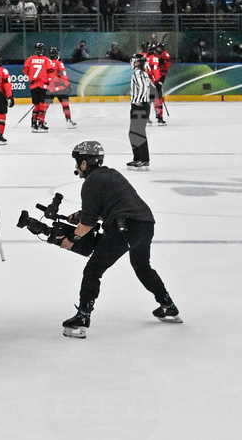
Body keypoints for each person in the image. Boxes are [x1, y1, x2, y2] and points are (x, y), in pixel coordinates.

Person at [60, 141, 180, 338]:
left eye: (77, 162)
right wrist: (80, 215)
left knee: (93, 269)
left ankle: (82, 317)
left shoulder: (91, 182)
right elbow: (112, 204)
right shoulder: (111, 174)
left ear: (84, 163)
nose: (76, 166)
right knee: (142, 266)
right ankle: (168, 305)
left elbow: (88, 223)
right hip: (145, 223)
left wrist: (71, 239)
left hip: (125, 228)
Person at [128, 53, 152, 170]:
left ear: (136, 62)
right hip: (142, 105)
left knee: (138, 132)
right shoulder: (142, 73)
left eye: (132, 61)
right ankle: (138, 158)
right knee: (134, 132)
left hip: (140, 106)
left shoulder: (138, 73)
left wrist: (137, 100)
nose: (131, 63)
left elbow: (142, 87)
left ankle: (144, 159)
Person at [23, 42, 52, 132]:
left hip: (34, 85)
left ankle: (33, 123)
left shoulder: (30, 59)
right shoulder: (47, 60)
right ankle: (41, 123)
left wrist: (31, 77)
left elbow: (25, 70)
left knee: (36, 105)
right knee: (42, 105)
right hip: (43, 85)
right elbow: (50, 72)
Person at [48, 47, 76, 128]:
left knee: (44, 105)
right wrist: (67, 85)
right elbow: (63, 77)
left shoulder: (46, 63)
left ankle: (40, 121)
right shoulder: (59, 64)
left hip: (50, 87)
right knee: (65, 105)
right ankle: (68, 121)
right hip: (60, 88)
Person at [145, 44, 166, 126]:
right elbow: (155, 70)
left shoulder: (145, 58)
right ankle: (159, 117)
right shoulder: (154, 58)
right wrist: (157, 81)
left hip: (146, 83)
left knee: (148, 100)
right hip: (153, 82)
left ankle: (146, 118)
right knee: (158, 100)